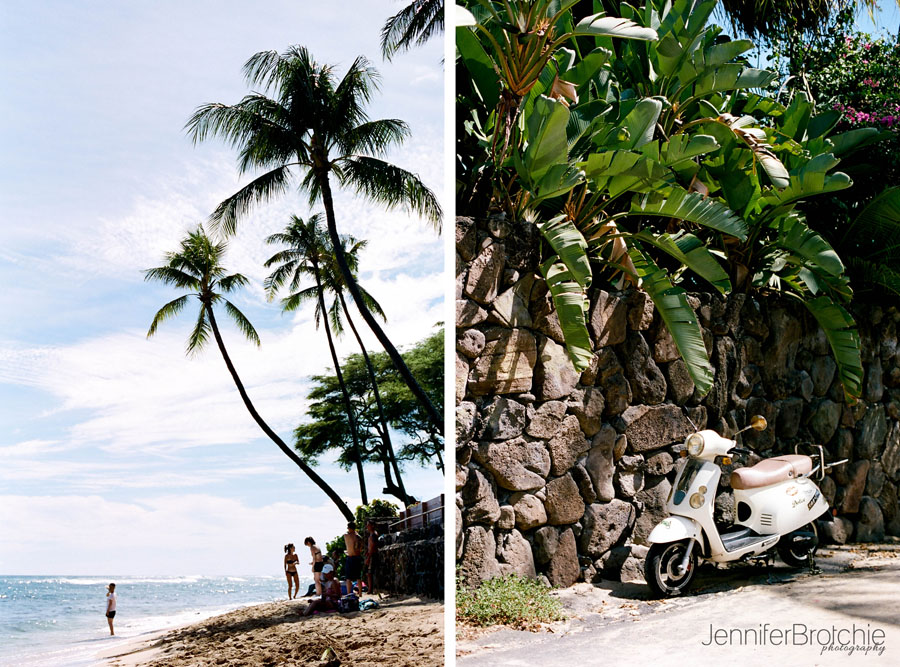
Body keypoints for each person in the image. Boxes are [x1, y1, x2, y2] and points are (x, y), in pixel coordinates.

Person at [343, 521, 363, 596]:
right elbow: (360, 548)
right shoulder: (358, 537)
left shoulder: (346, 536)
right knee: (358, 577)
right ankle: (360, 593)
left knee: (348, 577)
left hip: (350, 557)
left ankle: (349, 593)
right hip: (357, 557)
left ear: (349, 528)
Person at [364, 520, 379, 595]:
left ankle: (371, 589)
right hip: (370, 554)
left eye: (368, 525)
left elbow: (373, 547)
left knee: (370, 573)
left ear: (372, 526)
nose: (367, 527)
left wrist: (369, 557)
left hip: (373, 555)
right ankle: (370, 588)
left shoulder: (374, 534)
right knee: (369, 573)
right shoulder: (371, 534)